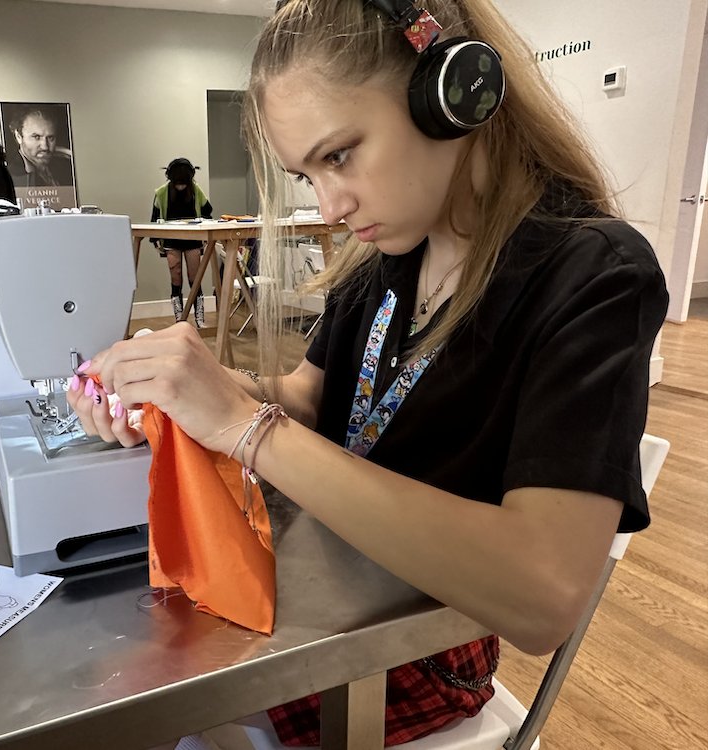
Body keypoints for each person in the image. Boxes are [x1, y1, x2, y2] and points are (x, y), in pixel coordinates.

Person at [69, 0, 668, 747]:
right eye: (306, 174)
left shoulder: (592, 276)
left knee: (118, 702)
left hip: (419, 649)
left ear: (454, 94)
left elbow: (541, 597)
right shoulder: (385, 260)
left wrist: (244, 426)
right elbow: (311, 403)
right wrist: (190, 390)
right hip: (340, 590)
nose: (330, 204)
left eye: (340, 155)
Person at [150, 157, 214, 327]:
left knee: (195, 277)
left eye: (184, 183)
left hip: (192, 239)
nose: (180, 186)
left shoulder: (195, 190)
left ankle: (199, 318)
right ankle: (180, 318)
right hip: (171, 239)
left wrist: (205, 229)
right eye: (177, 183)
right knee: (175, 276)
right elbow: (155, 218)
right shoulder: (162, 193)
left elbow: (208, 211)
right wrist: (155, 240)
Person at [7, 106, 75, 187]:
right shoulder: (10, 176)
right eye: (36, 137)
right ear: (18, 137)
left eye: (50, 138)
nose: (45, 147)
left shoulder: (65, 166)